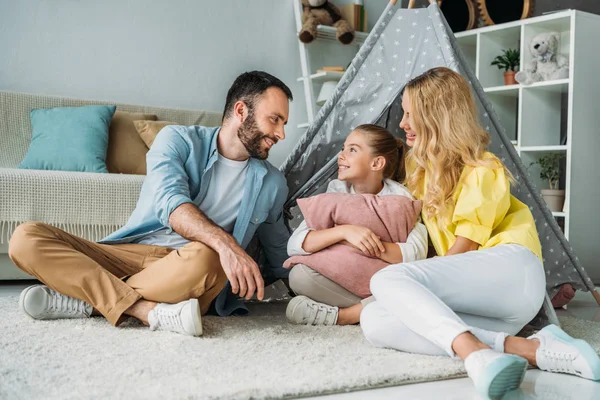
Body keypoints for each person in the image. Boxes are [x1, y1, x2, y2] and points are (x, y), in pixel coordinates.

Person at [359, 67, 600, 399]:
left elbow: (466, 248)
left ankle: (474, 356)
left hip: (513, 271)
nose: (402, 123)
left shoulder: (483, 169)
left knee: (386, 281)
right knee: (375, 320)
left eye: (410, 113)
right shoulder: (420, 174)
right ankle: (531, 348)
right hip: (493, 306)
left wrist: (409, 286)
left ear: (436, 116)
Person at [9, 71, 293, 337]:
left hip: (190, 268)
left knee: (209, 259)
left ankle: (87, 300)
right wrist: (226, 244)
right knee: (25, 237)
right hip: (130, 254)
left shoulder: (272, 182)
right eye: (275, 119)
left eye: (284, 124)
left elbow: (278, 248)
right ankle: (144, 309)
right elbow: (171, 204)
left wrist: (316, 282)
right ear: (241, 111)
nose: (281, 134)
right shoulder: (177, 139)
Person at [285, 124, 428, 326]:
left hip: (382, 279)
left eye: (352, 150)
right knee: (299, 276)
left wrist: (366, 245)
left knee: (412, 285)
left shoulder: (400, 200)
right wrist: (345, 233)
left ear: (377, 163)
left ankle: (345, 316)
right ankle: (380, 309)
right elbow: (295, 245)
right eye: (343, 149)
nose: (341, 156)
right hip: (343, 277)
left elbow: (416, 253)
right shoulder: (334, 195)